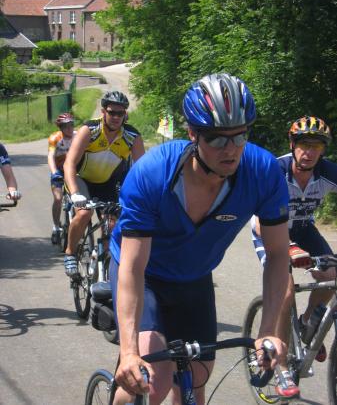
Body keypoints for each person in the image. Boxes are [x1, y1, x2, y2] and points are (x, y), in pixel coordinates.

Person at [109, 73, 291, 405]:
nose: (232, 150)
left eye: (240, 136)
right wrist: (129, 351)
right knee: (152, 380)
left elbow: (278, 255)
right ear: (192, 134)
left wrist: (268, 331)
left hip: (193, 279)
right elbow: (133, 268)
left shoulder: (263, 173)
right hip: (144, 276)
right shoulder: (153, 174)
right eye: (218, 140)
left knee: (195, 383)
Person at [251, 116, 337, 399]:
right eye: (303, 144)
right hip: (270, 230)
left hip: (302, 228)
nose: (308, 152)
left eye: (316, 146)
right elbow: (259, 221)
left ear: (323, 150)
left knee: (331, 277)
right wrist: (287, 248)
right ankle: (283, 367)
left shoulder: (327, 173)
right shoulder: (274, 170)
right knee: (284, 291)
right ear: (292, 144)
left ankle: (308, 322)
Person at [63, 90, 145, 277]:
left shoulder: (132, 136)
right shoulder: (90, 130)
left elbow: (141, 173)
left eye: (120, 113)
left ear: (125, 114)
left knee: (112, 224)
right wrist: (75, 193)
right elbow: (69, 163)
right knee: (84, 213)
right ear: (103, 112)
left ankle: (105, 267)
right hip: (81, 179)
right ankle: (70, 252)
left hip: (107, 183)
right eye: (111, 112)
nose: (116, 117)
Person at [47, 113, 76, 244]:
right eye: (65, 126)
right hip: (59, 170)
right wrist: (54, 173)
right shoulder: (55, 138)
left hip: (74, 170)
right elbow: (51, 156)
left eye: (71, 125)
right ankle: (56, 227)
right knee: (58, 198)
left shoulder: (78, 136)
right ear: (60, 127)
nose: (69, 128)